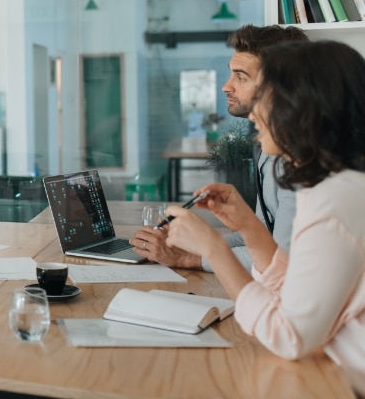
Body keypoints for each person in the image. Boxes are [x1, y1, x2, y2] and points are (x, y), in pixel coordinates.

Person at [163, 40, 365, 395]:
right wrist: (248, 226)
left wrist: (213, 248)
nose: (254, 112)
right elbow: (300, 290)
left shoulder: (331, 201)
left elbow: (289, 337)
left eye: (265, 97)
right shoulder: (343, 185)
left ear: (303, 108)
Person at [131, 24, 308, 271]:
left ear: (277, 86)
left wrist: (188, 259)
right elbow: (261, 237)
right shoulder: (268, 150)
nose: (227, 86)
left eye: (241, 76)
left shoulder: (303, 163)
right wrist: (189, 247)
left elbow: (281, 260)